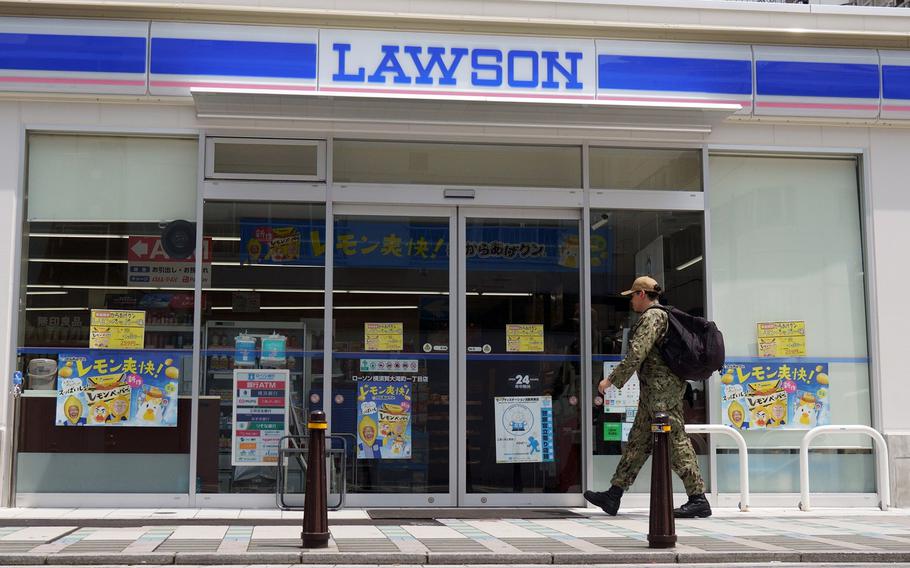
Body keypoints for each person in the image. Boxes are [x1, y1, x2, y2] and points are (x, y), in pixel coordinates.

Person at [584, 276, 711, 519]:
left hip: (662, 393)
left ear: (642, 294)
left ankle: (698, 498)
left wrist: (610, 381)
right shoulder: (658, 316)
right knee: (638, 442)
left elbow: (636, 354)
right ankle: (614, 494)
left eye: (632, 295)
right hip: (653, 391)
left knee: (676, 441)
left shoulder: (653, 317)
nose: (631, 301)